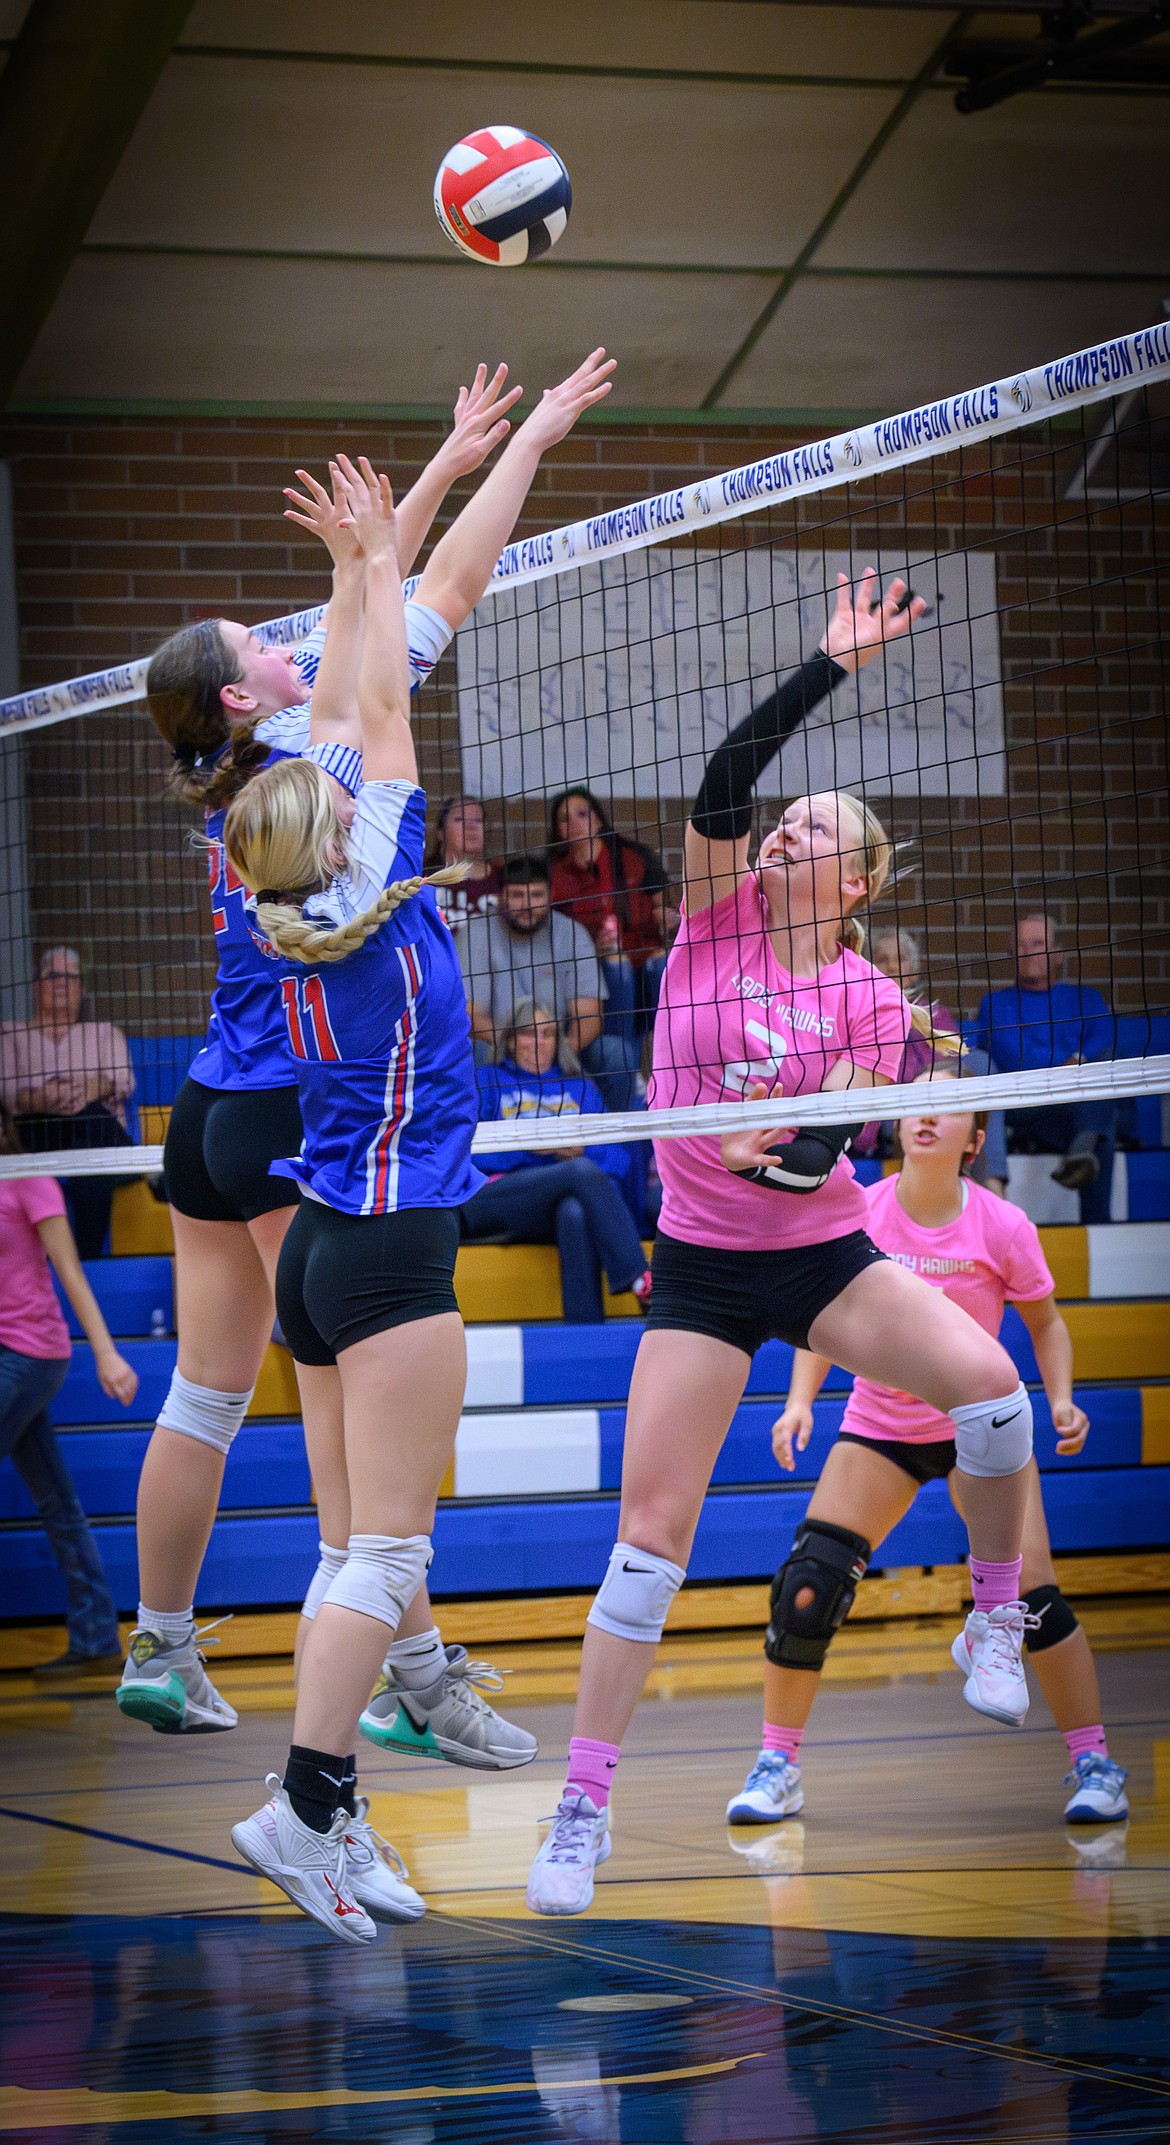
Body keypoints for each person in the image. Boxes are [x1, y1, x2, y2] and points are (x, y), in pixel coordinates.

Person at [525, 569, 1044, 1919]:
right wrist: (829, 665)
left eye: (810, 828)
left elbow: (856, 1148)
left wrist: (792, 1149)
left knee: (990, 1389)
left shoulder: (874, 998)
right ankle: (581, 1805)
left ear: (855, 875)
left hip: (819, 1253)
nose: (780, 833)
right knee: (650, 1540)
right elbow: (721, 775)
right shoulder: (710, 923)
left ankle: (991, 1611)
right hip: (697, 1266)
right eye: (782, 822)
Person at [116, 359, 600, 1746]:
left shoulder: (265, 783)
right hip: (296, 1120)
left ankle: (158, 1644)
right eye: (255, 642)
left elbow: (391, 593)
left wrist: (445, 465)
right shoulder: (338, 776)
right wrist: (462, 486)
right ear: (242, 701)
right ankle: (411, 1671)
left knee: (210, 1390)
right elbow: (417, 598)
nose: (286, 637)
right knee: (338, 1397)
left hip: (209, 1105)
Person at [223, 426, 609, 1941]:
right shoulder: (373, 899)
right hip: (383, 1256)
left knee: (353, 1549)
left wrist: (355, 570)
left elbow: (342, 706)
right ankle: (306, 1805)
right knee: (386, 1551)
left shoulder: (280, 903)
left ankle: (335, 1812)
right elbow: (370, 700)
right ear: (337, 827)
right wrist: (376, 561)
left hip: (324, 1243)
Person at [727, 1075, 1129, 1830]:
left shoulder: (1004, 1226)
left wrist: (1062, 1396)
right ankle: (778, 1762)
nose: (926, 1115)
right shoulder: (861, 1210)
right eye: (916, 1103)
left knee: (1031, 1602)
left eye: (949, 1107)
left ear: (975, 1141)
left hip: (984, 1430)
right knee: (807, 1587)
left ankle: (1094, 1760)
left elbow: (1045, 1322)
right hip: (883, 1424)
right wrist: (799, 1401)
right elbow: (823, 1313)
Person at [0, 1103, 139, 1676]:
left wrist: (106, 1353)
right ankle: (96, 1634)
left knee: (58, 1500)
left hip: (31, 1353)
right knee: (57, 1500)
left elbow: (70, 1269)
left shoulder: (30, 1179)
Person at [462, 999, 651, 1321]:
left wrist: (583, 1151)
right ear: (510, 1040)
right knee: (577, 1173)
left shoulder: (581, 1088)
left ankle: (584, 1333)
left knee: (575, 1211)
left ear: (558, 1040)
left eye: (547, 1033)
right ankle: (641, 1278)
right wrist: (530, 1146)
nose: (538, 1042)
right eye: (528, 1033)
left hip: (561, 1196)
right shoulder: (486, 1081)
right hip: (498, 1198)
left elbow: (618, 1159)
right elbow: (465, 1152)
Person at [969, 912, 1116, 1222]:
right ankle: (1083, 1146)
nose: (1029, 952)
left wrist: (1076, 1062)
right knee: (1098, 1111)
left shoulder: (1088, 999)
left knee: (1106, 1080)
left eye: (1038, 943)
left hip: (1074, 1112)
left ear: (1059, 952)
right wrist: (1074, 1061)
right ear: (1012, 954)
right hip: (1024, 1113)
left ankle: (1096, 1217)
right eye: (1021, 946)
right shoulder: (995, 1004)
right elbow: (1017, 1058)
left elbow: (1105, 1043)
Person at [460, 852, 638, 1108]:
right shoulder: (475, 933)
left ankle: (609, 1138)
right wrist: (523, 1047)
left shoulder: (571, 932)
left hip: (562, 1047)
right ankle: (480, 1142)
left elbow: (589, 1017)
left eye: (537, 895)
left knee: (614, 1052)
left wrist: (552, 1052)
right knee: (471, 1051)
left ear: (550, 896)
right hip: (500, 1049)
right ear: (501, 897)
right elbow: (471, 1016)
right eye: (518, 895)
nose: (528, 904)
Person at [0, 947, 136, 1256]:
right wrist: (40, 1099)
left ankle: (86, 1259)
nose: (61, 982)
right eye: (52, 975)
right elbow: (5, 1093)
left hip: (93, 1136)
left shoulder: (104, 1034)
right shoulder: (9, 1034)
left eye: (70, 976)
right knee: (90, 1130)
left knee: (89, 1136)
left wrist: (89, 1088)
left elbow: (124, 1082)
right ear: (36, 985)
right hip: (35, 1135)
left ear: (82, 988)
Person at [869, 925, 1007, 1190]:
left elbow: (954, 1067)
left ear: (914, 970)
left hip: (940, 1102)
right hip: (893, 1110)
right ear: (870, 968)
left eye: (901, 959)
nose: (892, 967)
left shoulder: (936, 1014)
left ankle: (993, 1188)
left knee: (979, 1063)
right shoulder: (864, 1016)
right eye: (882, 959)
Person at [547, 787, 673, 1041]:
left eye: (582, 813)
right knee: (617, 964)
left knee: (659, 961)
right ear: (558, 830)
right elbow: (555, 935)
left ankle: (660, 1056)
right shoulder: (554, 874)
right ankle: (627, 1065)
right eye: (564, 818)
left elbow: (666, 910)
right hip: (593, 969)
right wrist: (592, 945)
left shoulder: (633, 857)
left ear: (598, 819)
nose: (574, 823)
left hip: (644, 961)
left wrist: (668, 918)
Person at [425, 795, 501, 941]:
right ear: (440, 832)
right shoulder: (422, 877)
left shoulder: (503, 878)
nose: (471, 826)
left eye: (478, 820)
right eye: (460, 819)